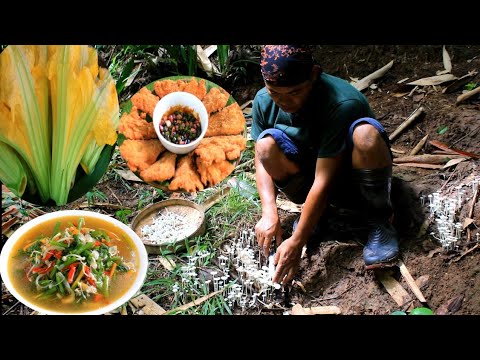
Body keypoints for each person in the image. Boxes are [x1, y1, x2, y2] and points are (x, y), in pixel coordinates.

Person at [251, 45, 400, 286]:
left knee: (366, 135)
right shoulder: (263, 100)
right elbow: (260, 157)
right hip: (309, 173)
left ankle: (379, 220)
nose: (285, 101)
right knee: (265, 146)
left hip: (349, 176)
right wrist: (269, 211)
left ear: (314, 75)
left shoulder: (342, 102)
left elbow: (324, 179)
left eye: (295, 92)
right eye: (275, 93)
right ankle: (321, 216)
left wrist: (298, 240)